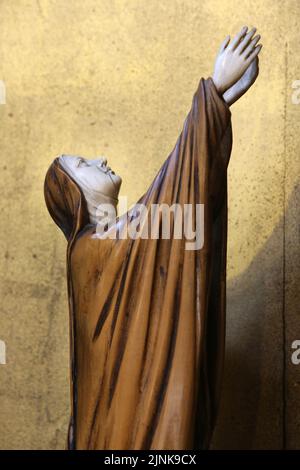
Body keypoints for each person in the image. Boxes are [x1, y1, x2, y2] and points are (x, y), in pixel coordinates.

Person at [44, 26, 262, 450]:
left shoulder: (124, 242)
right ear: (73, 193)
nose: (100, 159)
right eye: (83, 163)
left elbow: (181, 203)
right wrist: (211, 95)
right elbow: (170, 204)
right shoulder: (89, 253)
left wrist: (216, 108)